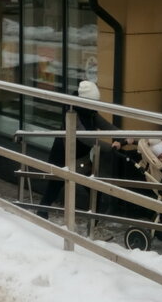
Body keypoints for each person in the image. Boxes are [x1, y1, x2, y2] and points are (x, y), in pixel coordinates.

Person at [37, 80, 123, 219]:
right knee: (54, 187)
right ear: (85, 101)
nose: (96, 105)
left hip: (81, 158)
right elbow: (84, 137)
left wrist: (124, 135)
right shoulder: (72, 112)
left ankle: (93, 222)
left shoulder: (90, 111)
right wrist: (109, 147)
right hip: (63, 156)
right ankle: (41, 214)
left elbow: (106, 125)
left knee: (95, 190)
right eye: (94, 102)